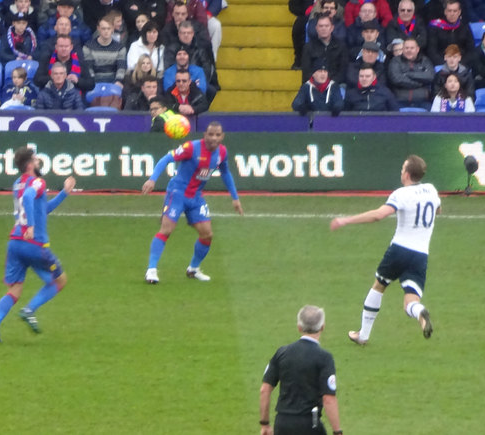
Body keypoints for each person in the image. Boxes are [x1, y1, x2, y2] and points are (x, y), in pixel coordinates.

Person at [330, 154, 440, 345]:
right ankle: (419, 311)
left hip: (399, 250)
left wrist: (346, 220)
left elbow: (379, 215)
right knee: (410, 301)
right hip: (421, 255)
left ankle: (363, 335)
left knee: (379, 286)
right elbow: (438, 210)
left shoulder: (401, 194)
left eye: (402, 169)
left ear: (406, 174)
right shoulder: (431, 190)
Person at [0, 147, 76, 343]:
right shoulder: (38, 182)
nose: (38, 162)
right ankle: (29, 310)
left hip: (15, 243)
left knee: (14, 290)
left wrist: (64, 193)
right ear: (29, 165)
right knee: (60, 281)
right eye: (35, 160)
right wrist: (31, 227)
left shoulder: (17, 184)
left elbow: (42, 209)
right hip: (34, 244)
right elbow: (28, 199)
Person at [141, 121, 243, 284]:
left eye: (217, 135)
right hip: (177, 193)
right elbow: (166, 159)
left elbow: (225, 172)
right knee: (166, 230)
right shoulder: (191, 148)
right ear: (205, 135)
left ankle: (193, 269)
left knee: (207, 234)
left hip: (195, 197)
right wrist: (152, 179)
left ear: (222, 137)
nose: (214, 138)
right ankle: (151, 270)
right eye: (210, 134)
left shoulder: (222, 153)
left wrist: (235, 198)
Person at [259, 305, 342, 435]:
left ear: (299, 327)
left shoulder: (282, 353)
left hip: (282, 424)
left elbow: (265, 390)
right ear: (322, 327)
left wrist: (265, 424)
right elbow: (328, 399)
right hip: (309, 425)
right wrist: (337, 432)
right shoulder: (324, 357)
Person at [387, 36, 434, 109]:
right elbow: (396, 79)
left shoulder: (425, 60)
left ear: (417, 49)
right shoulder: (395, 61)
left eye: (412, 48)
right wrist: (420, 83)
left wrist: (408, 74)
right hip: (400, 101)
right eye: (406, 48)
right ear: (403, 49)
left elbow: (430, 76)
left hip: (423, 102)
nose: (409, 50)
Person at [300, 14, 348, 84]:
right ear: (316, 28)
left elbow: (343, 71)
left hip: (335, 84)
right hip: (314, 84)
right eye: (321, 26)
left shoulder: (341, 46)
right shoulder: (308, 47)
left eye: (326, 26)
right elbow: (306, 71)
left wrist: (330, 83)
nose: (323, 28)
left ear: (332, 28)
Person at [82, 17, 127, 88]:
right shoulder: (88, 47)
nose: (106, 31)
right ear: (98, 28)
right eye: (103, 28)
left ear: (112, 29)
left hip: (113, 81)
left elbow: (121, 67)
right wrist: (93, 82)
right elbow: (89, 68)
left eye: (108, 28)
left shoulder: (120, 48)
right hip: (94, 81)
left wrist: (118, 81)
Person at [426, 0, 474, 66]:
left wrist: (460, 64)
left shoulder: (465, 26)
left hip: (461, 64)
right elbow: (432, 51)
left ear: (459, 12)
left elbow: (471, 50)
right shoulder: (435, 27)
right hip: (442, 64)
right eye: (449, 11)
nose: (452, 14)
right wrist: (445, 64)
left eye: (455, 11)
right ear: (445, 12)